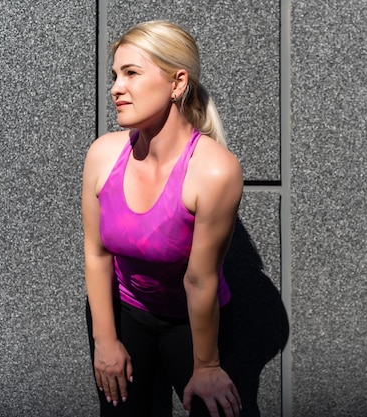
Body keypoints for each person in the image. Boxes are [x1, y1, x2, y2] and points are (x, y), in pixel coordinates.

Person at [81, 20, 243, 417]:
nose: (116, 87)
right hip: (125, 311)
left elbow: (199, 278)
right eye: (115, 75)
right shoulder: (102, 155)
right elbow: (97, 253)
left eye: (131, 73)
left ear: (177, 82)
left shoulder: (214, 171)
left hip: (193, 322)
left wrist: (206, 366)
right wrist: (105, 343)